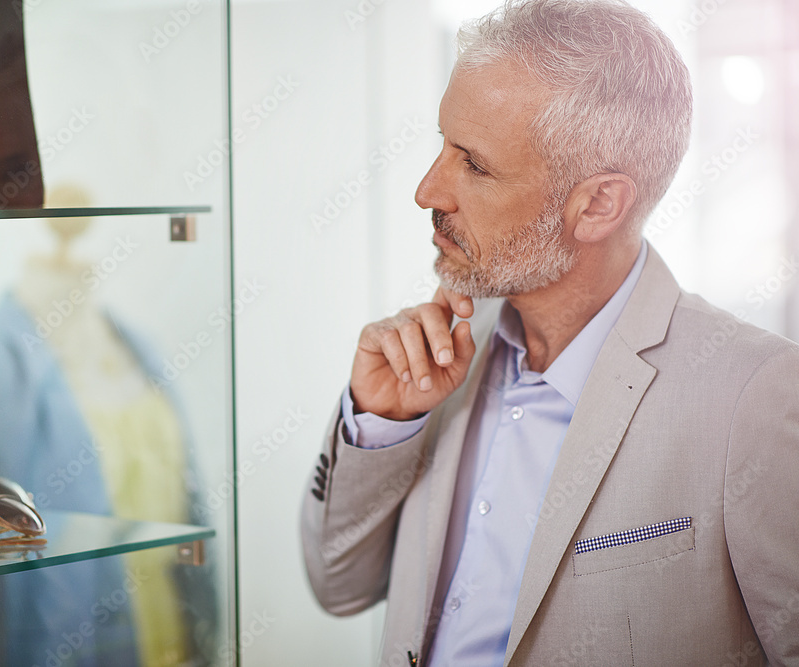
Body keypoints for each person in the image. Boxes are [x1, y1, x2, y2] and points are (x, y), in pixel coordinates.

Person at [300, 1, 799, 665]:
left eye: (473, 165)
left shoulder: (754, 395)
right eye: (442, 145)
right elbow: (337, 586)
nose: (427, 191)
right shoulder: (436, 356)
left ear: (596, 204)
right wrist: (381, 423)